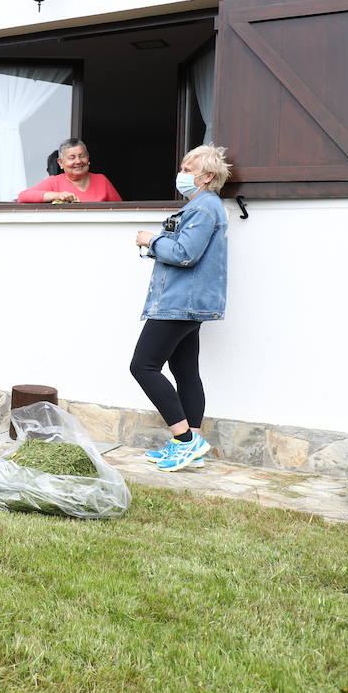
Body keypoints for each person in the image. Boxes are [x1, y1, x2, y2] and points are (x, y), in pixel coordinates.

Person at [130, 144, 231, 472]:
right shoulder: (202, 206)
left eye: (189, 170)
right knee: (185, 371)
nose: (182, 175)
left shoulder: (203, 208)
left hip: (178, 303)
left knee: (143, 366)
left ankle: (184, 440)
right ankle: (191, 446)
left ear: (208, 177)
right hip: (188, 303)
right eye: (183, 167)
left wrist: (151, 240)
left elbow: (185, 253)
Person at [16, 138, 123, 202]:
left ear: (88, 158)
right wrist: (56, 195)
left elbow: (121, 209)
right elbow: (23, 196)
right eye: (72, 158)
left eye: (82, 156)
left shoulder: (101, 180)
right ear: (61, 163)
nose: (78, 161)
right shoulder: (54, 182)